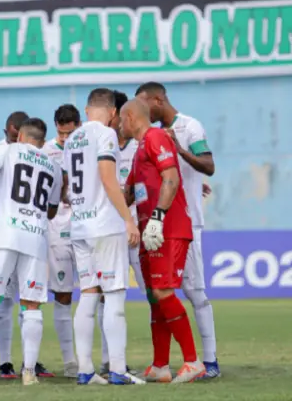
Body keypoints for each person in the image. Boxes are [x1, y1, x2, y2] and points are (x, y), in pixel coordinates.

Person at [0, 118, 63, 386]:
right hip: (36, 237)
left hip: (4, 234)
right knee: (32, 305)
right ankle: (29, 371)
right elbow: (51, 209)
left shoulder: (8, 150)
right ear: (42, 141)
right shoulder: (54, 166)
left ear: (19, 135)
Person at [135, 82, 220, 379]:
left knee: (194, 291)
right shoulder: (151, 136)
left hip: (186, 221)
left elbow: (208, 165)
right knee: (159, 294)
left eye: (146, 103)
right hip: (161, 224)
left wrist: (179, 150)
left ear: (158, 99)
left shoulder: (189, 127)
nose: (143, 110)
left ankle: (208, 362)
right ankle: (162, 364)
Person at [121, 98, 205, 383]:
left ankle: (193, 362)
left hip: (167, 227)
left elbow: (171, 176)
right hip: (149, 231)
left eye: (122, 121)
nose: (120, 127)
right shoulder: (138, 150)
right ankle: (160, 366)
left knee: (163, 292)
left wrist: (157, 217)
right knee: (154, 298)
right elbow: (128, 194)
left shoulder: (156, 137)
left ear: (131, 117)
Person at [63, 88, 143, 385]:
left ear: (86, 110)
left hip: (80, 226)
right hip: (104, 226)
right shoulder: (106, 135)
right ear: (113, 113)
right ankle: (119, 370)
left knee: (87, 294)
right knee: (114, 296)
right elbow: (109, 179)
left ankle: (86, 370)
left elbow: (71, 186)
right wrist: (128, 220)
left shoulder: (73, 138)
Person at [97, 90, 143, 375]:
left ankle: (158, 360)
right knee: (106, 294)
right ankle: (110, 359)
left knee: (153, 291)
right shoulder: (100, 142)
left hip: (136, 227)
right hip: (108, 227)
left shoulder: (140, 145)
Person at [41, 104, 81, 378]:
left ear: (79, 125)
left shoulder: (89, 145)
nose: (66, 139)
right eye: (61, 133)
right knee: (63, 295)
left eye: (70, 132)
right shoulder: (46, 152)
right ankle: (69, 362)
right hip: (58, 230)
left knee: (100, 294)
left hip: (89, 227)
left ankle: (108, 361)